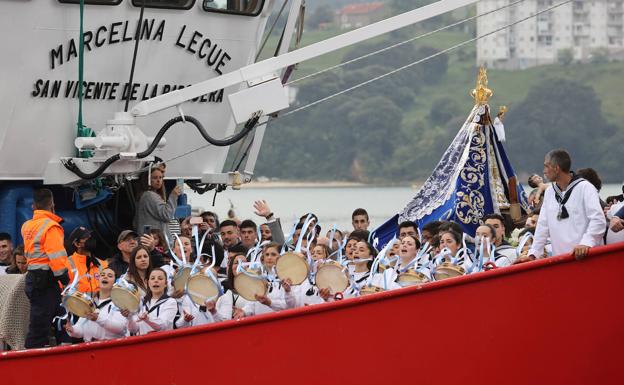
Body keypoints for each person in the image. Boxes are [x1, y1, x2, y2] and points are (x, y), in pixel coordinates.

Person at [526, 149, 606, 261]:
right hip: (562, 261)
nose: (544, 171)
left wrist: (586, 242)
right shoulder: (549, 192)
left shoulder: (585, 188)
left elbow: (598, 220)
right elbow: (542, 227)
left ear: (556, 168)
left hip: (588, 257)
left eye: (546, 166)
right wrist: (533, 254)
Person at [21, 188, 71, 348]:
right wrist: (65, 277)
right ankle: (31, 363)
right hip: (47, 282)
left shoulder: (27, 226)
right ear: (52, 204)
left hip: (33, 279)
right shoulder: (51, 227)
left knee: (55, 319)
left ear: (33, 206)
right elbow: (56, 255)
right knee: (39, 328)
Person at [64, 267, 127, 342]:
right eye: (102, 275)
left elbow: (120, 328)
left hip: (110, 347)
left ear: (115, 283)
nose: (105, 277)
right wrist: (73, 330)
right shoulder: (89, 302)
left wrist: (98, 319)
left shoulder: (118, 303)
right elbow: (81, 329)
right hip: (90, 347)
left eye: (110, 276)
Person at [125, 268, 178, 335]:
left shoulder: (170, 302)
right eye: (152, 278)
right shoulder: (141, 301)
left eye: (160, 278)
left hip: (161, 343)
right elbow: (134, 329)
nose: (156, 280)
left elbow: (163, 326)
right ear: (148, 283)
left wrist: (147, 319)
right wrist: (129, 317)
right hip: (142, 343)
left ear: (166, 284)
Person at [134, 166, 181, 237]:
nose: (159, 180)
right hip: (155, 241)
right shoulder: (150, 195)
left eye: (160, 177)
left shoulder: (144, 195)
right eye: (155, 178)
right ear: (147, 180)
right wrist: (173, 196)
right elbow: (167, 215)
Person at [66, 226, 109, 296]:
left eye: (90, 236)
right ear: (77, 244)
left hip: (101, 305)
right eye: (86, 237)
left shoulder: (103, 264)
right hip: (77, 305)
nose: (90, 239)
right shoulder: (67, 264)